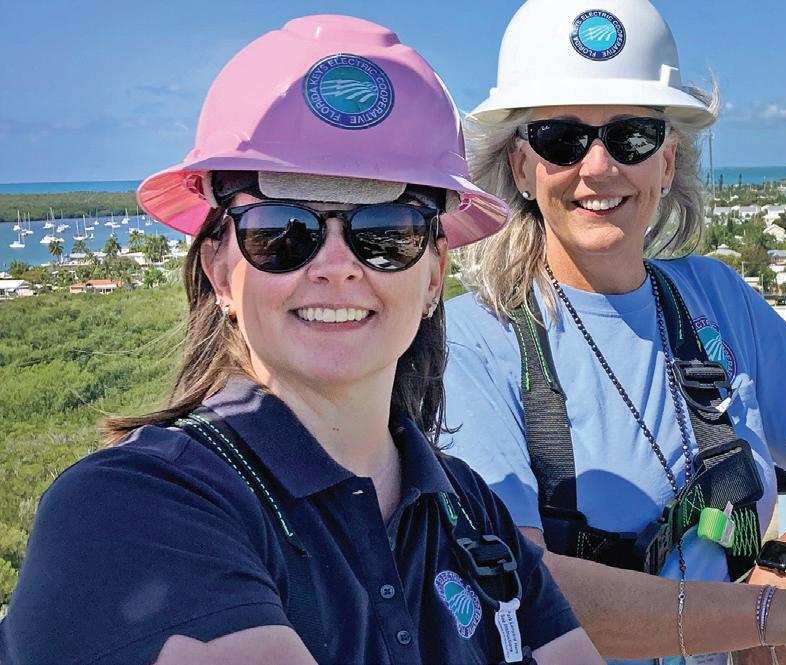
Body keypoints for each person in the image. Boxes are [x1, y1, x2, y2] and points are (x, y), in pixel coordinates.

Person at [0, 16, 603, 665]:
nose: (336, 266)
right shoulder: (133, 506)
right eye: (281, 231)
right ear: (219, 272)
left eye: (386, 231)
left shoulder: (468, 511)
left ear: (434, 276)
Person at [443, 1, 786, 663]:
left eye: (632, 137)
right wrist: (774, 616)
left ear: (667, 162)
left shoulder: (714, 299)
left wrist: (782, 568)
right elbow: (523, 589)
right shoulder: (478, 342)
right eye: (561, 138)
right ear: (522, 166)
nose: (598, 167)